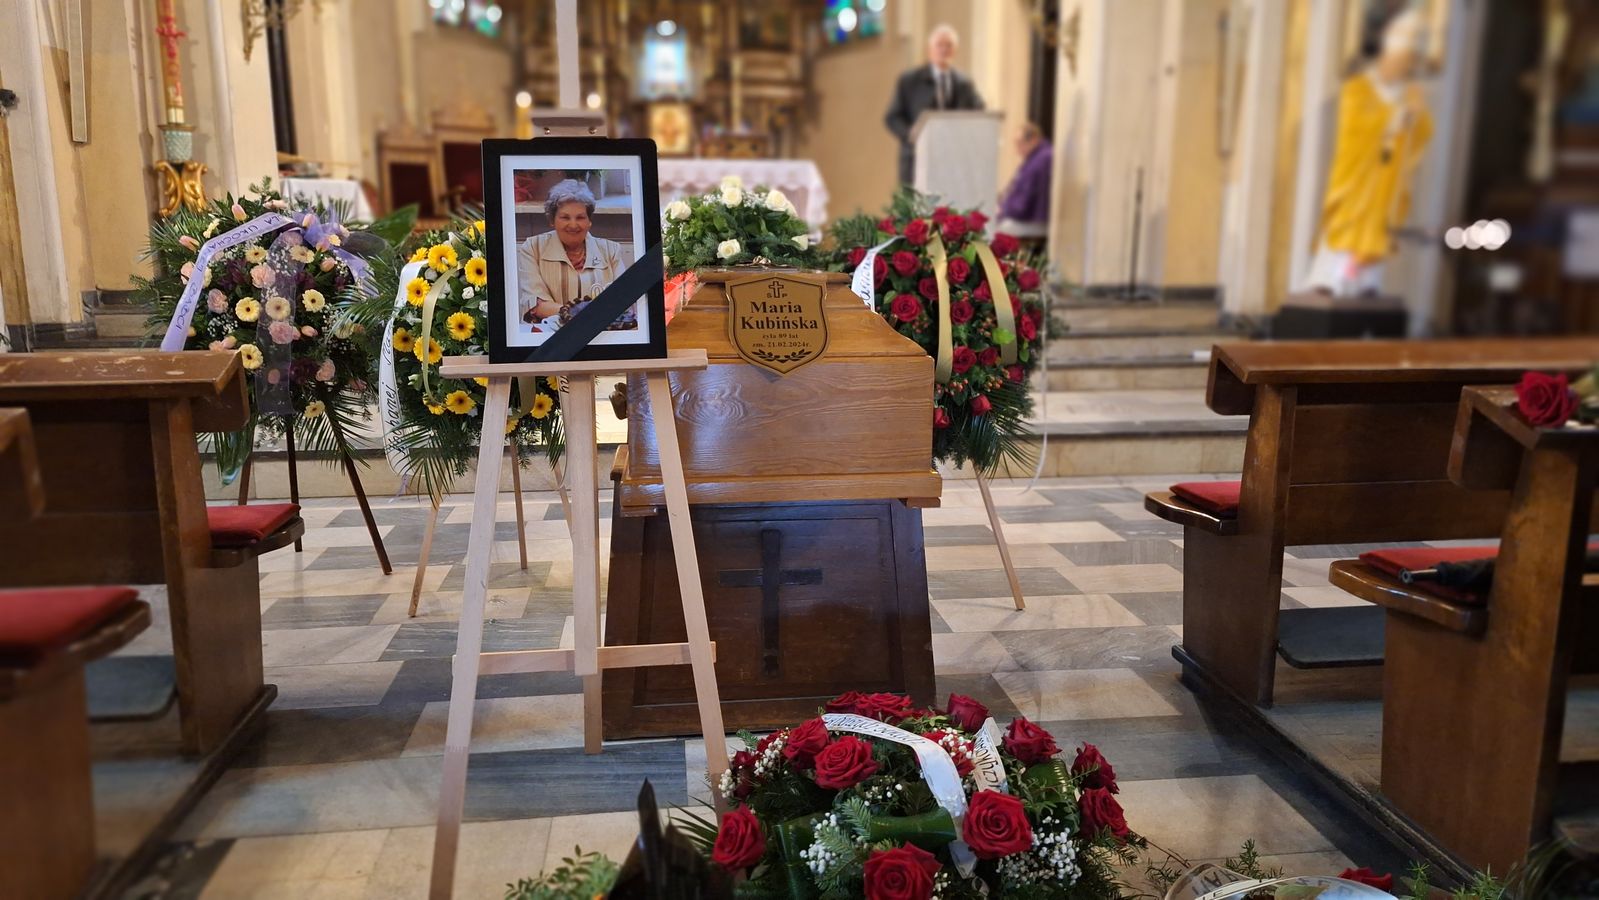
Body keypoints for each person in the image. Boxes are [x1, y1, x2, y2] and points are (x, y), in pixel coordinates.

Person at [1300, 9, 1432, 297]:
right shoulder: (1358, 88)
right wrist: (1397, 118)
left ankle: (1365, 284)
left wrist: (1416, 116)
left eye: (1409, 60)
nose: (1404, 66)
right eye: (1401, 58)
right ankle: (1330, 280)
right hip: (1357, 181)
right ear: (1387, 54)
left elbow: (1422, 132)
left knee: (1379, 235)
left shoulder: (1408, 93)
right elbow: (1354, 128)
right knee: (1345, 232)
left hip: (1385, 184)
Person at [517, 178, 636, 331]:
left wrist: (581, 315)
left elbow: (622, 301)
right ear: (552, 220)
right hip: (550, 337)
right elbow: (536, 305)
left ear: (589, 221)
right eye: (565, 217)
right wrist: (582, 314)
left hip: (602, 334)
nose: (573, 225)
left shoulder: (611, 250)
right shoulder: (533, 248)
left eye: (580, 217)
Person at [884, 24, 985, 185]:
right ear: (929, 49)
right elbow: (892, 117)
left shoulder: (964, 83)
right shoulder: (910, 80)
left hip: (954, 162)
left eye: (949, 45)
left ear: (955, 50)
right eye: (939, 45)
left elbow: (979, 110)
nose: (944, 50)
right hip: (917, 159)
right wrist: (911, 134)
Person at [997, 122, 1053, 240]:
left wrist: (1004, 209)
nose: (1017, 150)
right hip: (1029, 216)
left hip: (1035, 220)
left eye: (1020, 144)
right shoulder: (1035, 158)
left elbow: (1023, 205)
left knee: (996, 229)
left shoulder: (1041, 160)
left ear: (1033, 139)